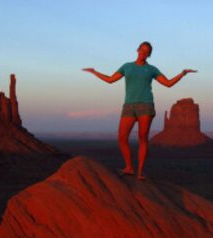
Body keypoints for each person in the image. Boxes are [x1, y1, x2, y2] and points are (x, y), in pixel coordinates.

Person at [82, 41, 197, 180]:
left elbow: (168, 84)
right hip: (129, 106)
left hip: (145, 105)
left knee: (143, 138)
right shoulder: (127, 66)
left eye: (146, 51)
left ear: (149, 55)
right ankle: (129, 167)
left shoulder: (152, 69)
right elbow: (110, 80)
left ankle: (140, 172)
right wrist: (94, 72)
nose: (143, 53)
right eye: (142, 50)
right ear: (137, 50)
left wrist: (182, 73)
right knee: (122, 137)